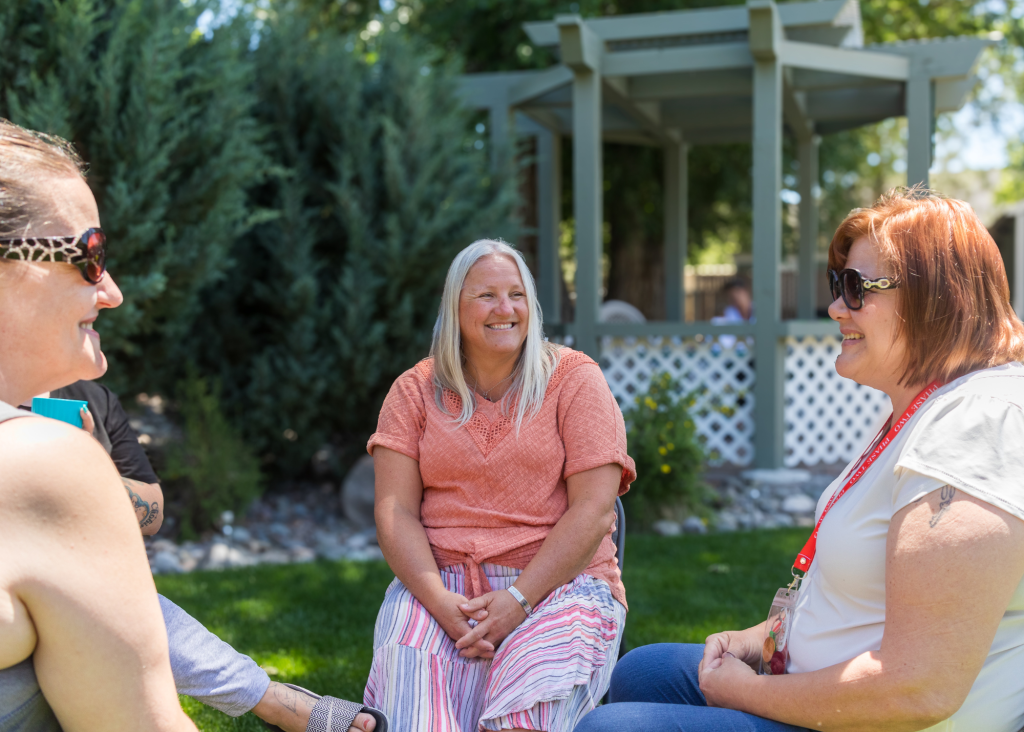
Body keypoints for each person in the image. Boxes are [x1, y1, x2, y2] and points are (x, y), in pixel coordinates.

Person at [575, 187, 1024, 732]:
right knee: (641, 672)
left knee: (611, 729)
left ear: (936, 296)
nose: (836, 306)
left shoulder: (977, 427)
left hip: (876, 720)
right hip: (824, 688)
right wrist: (759, 642)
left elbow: (918, 688)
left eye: (856, 288)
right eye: (839, 286)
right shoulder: (924, 408)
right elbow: (852, 600)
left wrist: (753, 692)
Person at [365, 239, 635, 732]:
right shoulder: (413, 391)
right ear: (455, 306)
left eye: (517, 294)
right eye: (486, 295)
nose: (505, 309)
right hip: (439, 584)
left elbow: (595, 511)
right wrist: (439, 603)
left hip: (560, 585)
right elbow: (395, 512)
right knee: (414, 711)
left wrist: (520, 601)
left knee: (523, 712)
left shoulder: (575, 380)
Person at [27, 379, 386, 732]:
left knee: (106, 604)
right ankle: (272, 700)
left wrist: (89, 467)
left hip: (94, 606)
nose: (104, 315)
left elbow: (153, 513)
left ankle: (270, 698)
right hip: (38, 596)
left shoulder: (91, 399)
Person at [0, 119, 196, 731]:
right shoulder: (44, 461)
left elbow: (152, 508)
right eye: (88, 256)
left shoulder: (87, 411)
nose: (110, 291)